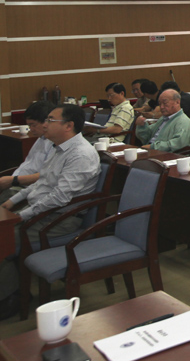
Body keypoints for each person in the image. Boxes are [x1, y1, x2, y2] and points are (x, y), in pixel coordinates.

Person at [0, 104, 101, 317]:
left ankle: (12, 299)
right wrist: (11, 202)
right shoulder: (58, 147)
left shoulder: (81, 154)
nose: (45, 124)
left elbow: (59, 198)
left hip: (60, 219)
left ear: (68, 125)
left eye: (50, 120)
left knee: (2, 238)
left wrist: (20, 215)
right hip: (42, 211)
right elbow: (41, 183)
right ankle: (12, 288)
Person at [0, 101, 55, 203]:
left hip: (27, 189)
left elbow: (47, 176)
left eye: (33, 125)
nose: (31, 129)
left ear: (47, 122)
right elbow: (28, 164)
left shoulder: (56, 143)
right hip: (16, 183)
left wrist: (13, 180)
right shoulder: (41, 139)